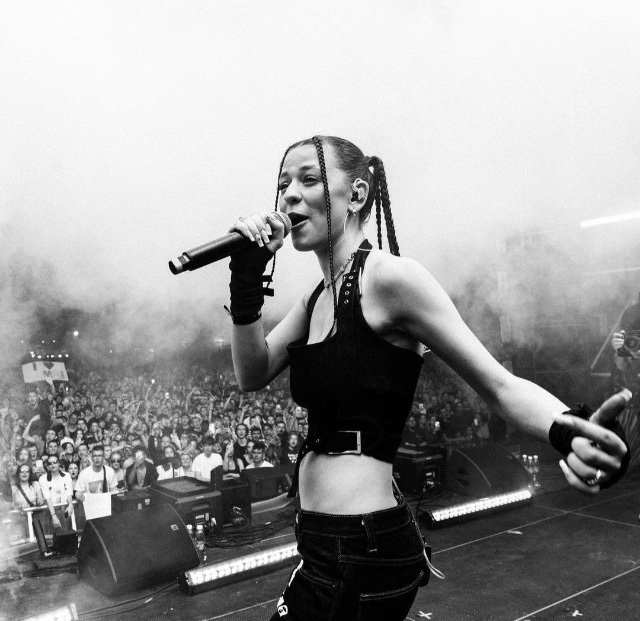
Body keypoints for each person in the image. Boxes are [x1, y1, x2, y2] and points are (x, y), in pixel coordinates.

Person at [226, 135, 630, 621]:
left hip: (361, 547)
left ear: (356, 195)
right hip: (323, 543)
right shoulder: (315, 297)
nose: (289, 194)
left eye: (308, 179)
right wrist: (245, 280)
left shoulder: (389, 279)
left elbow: (498, 385)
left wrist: (570, 431)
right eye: (283, 184)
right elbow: (252, 372)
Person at [38, 455, 74, 532]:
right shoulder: (43, 479)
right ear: (47, 466)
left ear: (59, 463)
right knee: (53, 534)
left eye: (55, 462)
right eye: (50, 463)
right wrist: (53, 516)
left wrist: (70, 505)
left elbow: (69, 492)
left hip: (64, 510)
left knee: (66, 532)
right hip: (50, 511)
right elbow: (47, 498)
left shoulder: (67, 475)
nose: (52, 464)